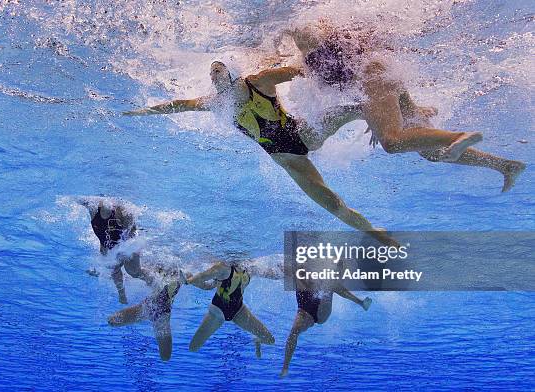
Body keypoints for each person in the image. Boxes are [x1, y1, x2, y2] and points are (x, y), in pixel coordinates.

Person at [122, 61, 400, 247]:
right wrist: (142, 112)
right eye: (210, 73)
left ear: (231, 70)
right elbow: (179, 105)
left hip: (303, 135)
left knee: (356, 108)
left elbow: (306, 69)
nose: (212, 76)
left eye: (217, 70)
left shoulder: (259, 82)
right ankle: (375, 233)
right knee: (333, 205)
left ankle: (385, 114)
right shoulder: (218, 104)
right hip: (288, 160)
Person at [279, 26, 525, 192]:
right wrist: (384, 112)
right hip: (381, 82)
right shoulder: (314, 59)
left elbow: (368, 59)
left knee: (392, 141)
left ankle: (460, 137)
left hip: (377, 79)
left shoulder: (313, 38)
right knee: (430, 153)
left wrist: (383, 115)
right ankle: (505, 165)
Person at [281, 263, 371, 377]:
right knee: (293, 332)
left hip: (322, 311)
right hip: (305, 312)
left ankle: (361, 302)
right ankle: (285, 367)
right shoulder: (297, 270)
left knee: (329, 282)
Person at [185, 261, 275, 357]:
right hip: (218, 311)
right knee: (193, 348)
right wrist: (189, 281)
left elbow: (270, 273)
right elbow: (204, 279)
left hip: (239, 311)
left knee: (270, 340)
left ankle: (257, 341)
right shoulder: (222, 267)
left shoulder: (249, 269)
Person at [79, 198, 153, 303]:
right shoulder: (93, 208)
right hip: (107, 245)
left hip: (128, 244)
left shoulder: (124, 212)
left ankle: (153, 283)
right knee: (113, 268)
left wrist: (123, 252)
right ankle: (122, 294)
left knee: (133, 272)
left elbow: (132, 236)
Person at [108, 268, 186, 361]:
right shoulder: (159, 281)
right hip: (152, 309)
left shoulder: (168, 282)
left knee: (165, 356)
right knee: (112, 321)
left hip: (157, 311)